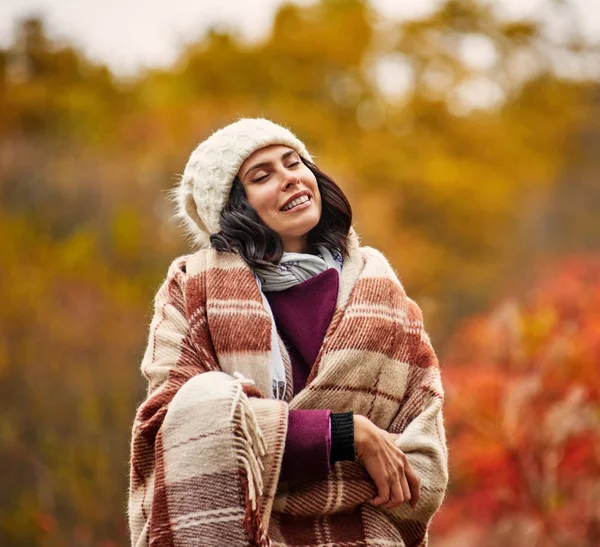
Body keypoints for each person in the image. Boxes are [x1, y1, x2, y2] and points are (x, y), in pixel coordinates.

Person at [128, 118, 448, 547]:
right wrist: (347, 435)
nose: (289, 179)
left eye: (294, 162)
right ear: (232, 208)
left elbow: (420, 465)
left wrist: (262, 451)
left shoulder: (382, 295)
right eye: (262, 176)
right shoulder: (190, 292)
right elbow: (171, 425)